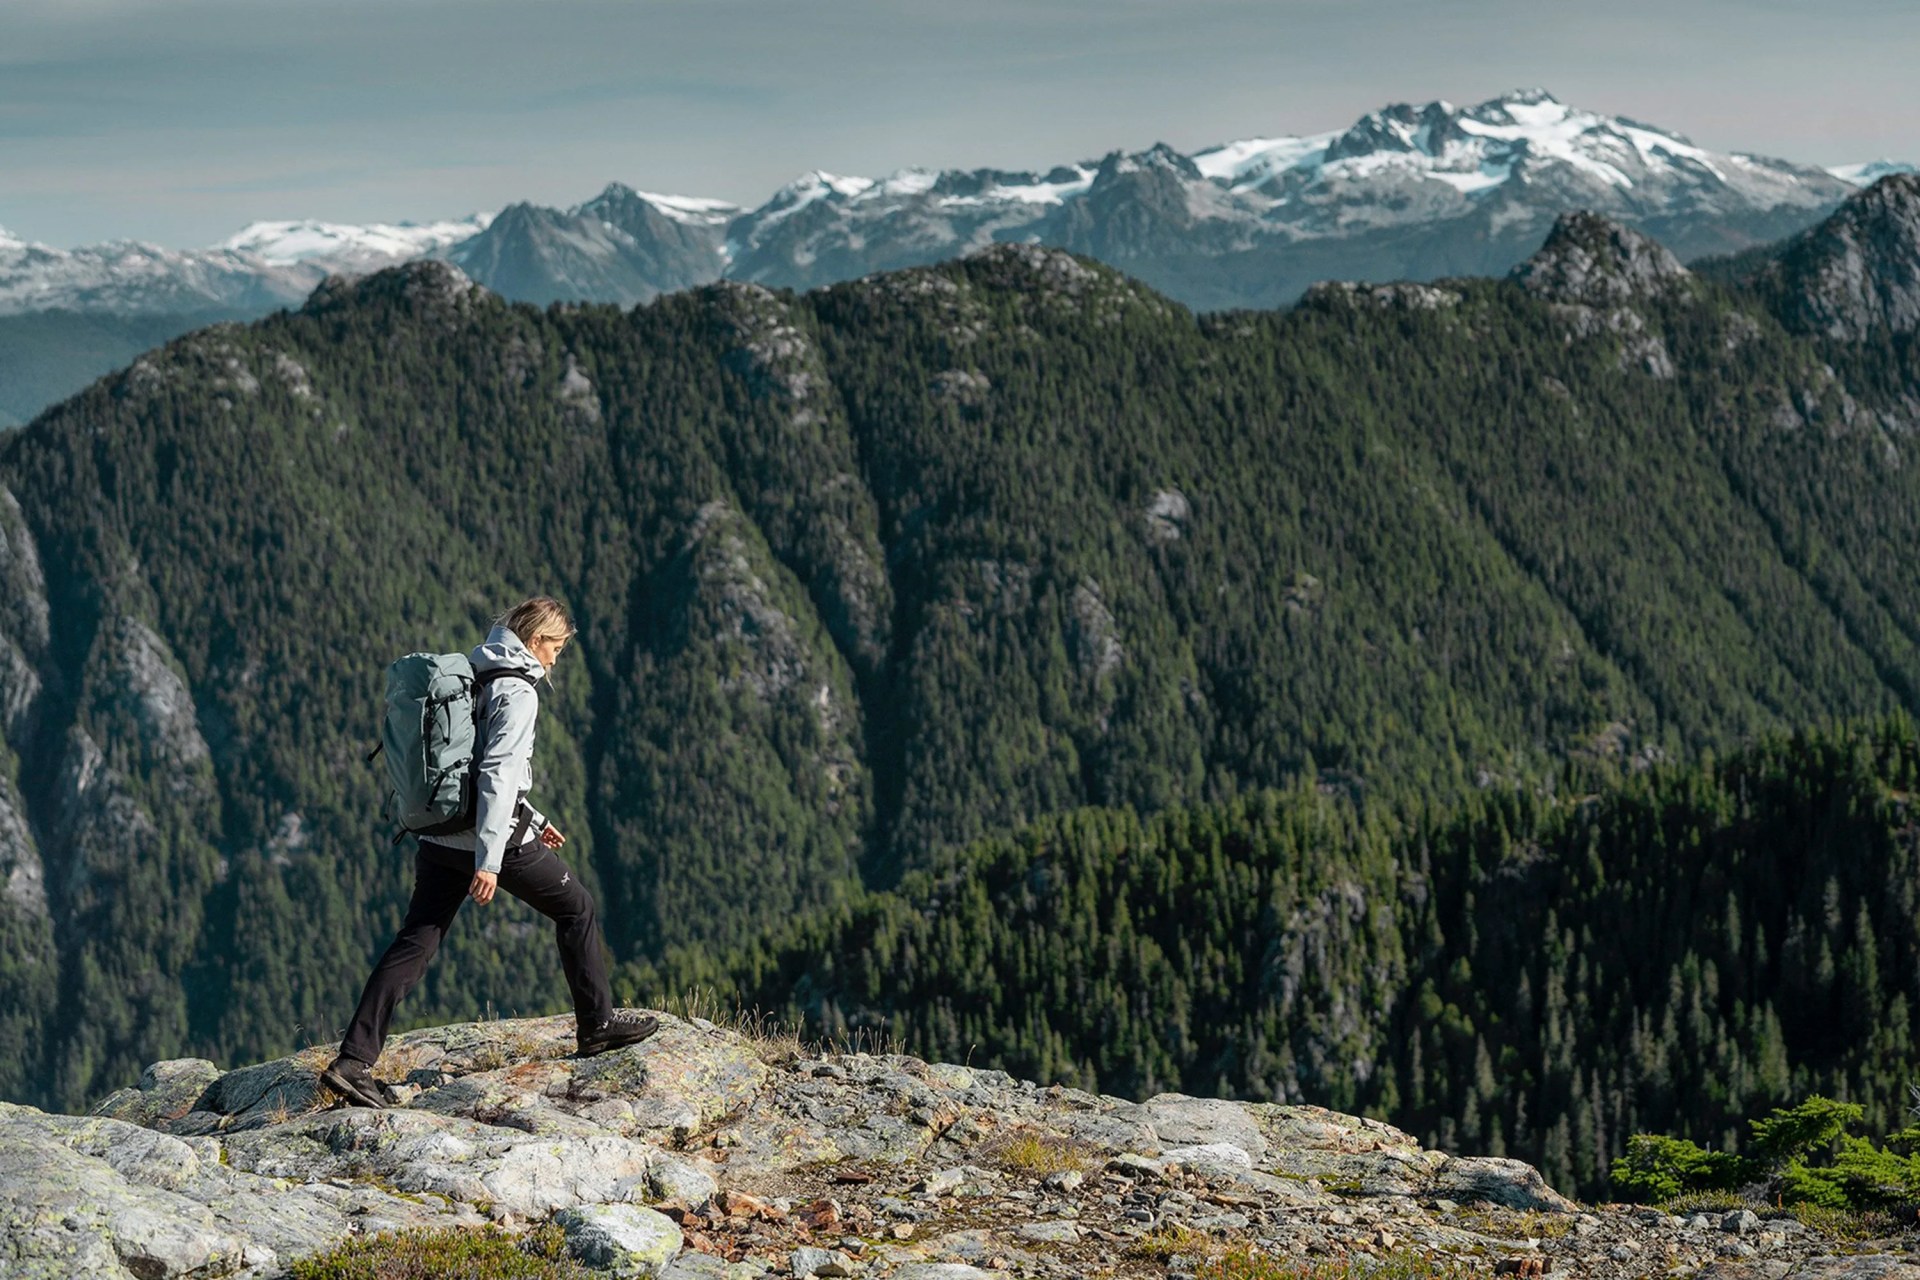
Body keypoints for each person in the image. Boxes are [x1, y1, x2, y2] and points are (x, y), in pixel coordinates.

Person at [322, 596, 656, 1108]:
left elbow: (468, 766)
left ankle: (353, 1061)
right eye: (557, 647)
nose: (556, 659)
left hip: (437, 835)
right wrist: (490, 861)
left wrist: (535, 819)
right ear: (537, 639)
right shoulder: (519, 691)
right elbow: (497, 775)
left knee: (415, 942)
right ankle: (597, 1025)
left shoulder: (472, 666)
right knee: (577, 908)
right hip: (488, 840)